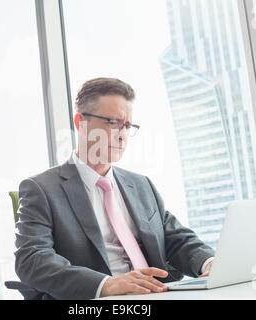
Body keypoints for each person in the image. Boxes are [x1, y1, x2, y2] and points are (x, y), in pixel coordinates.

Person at [14, 77, 215, 300]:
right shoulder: (41, 189)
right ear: (80, 123)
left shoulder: (141, 185)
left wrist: (209, 262)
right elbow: (32, 259)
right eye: (113, 122)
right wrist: (107, 285)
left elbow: (176, 238)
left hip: (157, 294)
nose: (122, 134)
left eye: (127, 126)